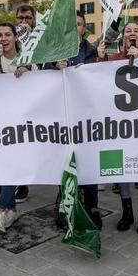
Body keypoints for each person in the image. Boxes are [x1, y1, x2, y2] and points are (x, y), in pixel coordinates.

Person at [97, 22, 138, 234]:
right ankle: (127, 211)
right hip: (119, 124)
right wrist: (101, 60)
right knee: (119, 165)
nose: (132, 34)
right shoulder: (113, 60)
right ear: (123, 38)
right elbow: (100, 83)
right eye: (128, 31)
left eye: (136, 31)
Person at [52, 13, 102, 229]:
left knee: (88, 163)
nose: (75, 27)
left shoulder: (91, 51)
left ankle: (92, 207)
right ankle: (64, 206)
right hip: (62, 114)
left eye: (79, 24)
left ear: (84, 29)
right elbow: (41, 73)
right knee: (64, 162)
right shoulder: (55, 49)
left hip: (85, 116)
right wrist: (54, 67)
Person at [0, 23, 36, 232]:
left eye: (8, 34)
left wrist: (29, 69)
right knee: (8, 164)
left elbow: (40, 84)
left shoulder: (29, 59)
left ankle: (3, 206)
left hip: (24, 121)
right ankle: (9, 208)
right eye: (0, 35)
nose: (3, 39)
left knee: (14, 163)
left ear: (16, 37)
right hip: (1, 120)